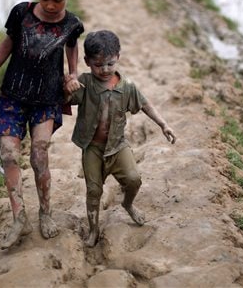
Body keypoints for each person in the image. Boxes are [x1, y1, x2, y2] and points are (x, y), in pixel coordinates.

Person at [0, 0, 85, 250]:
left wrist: (72, 74)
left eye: (58, 0)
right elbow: (6, 46)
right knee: (9, 154)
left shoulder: (72, 24)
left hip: (46, 98)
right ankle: (18, 217)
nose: (51, 5)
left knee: (40, 154)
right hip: (13, 95)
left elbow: (72, 46)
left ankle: (46, 213)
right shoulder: (21, 14)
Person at [64, 30, 175, 247]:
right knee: (94, 190)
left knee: (134, 179)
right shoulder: (85, 83)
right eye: (98, 65)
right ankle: (94, 229)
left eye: (109, 64)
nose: (104, 70)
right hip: (93, 148)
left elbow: (144, 104)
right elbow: (66, 99)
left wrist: (163, 124)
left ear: (118, 58)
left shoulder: (127, 87)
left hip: (117, 145)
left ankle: (128, 204)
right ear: (86, 61)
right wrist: (68, 86)